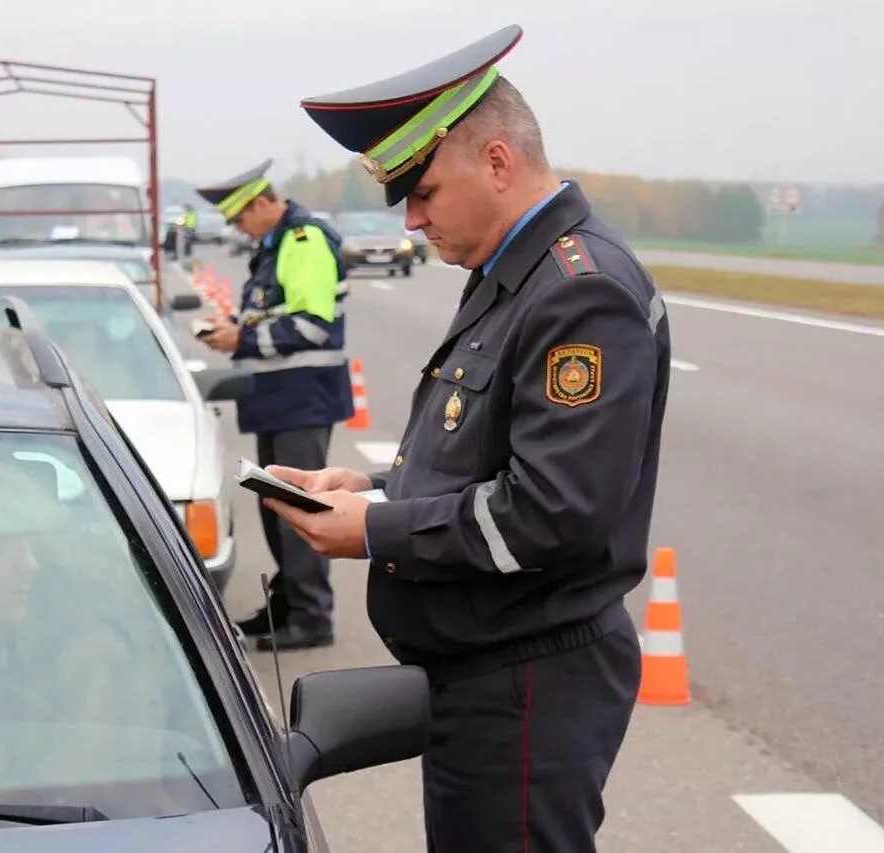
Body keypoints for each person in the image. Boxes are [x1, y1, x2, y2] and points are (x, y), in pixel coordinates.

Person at [265, 25, 671, 852]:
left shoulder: (578, 292)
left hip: (528, 681)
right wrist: (372, 493)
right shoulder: (511, 275)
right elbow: (483, 460)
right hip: (488, 672)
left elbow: (553, 512)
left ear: (496, 162)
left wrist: (375, 530)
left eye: (422, 191)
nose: (412, 219)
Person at [194, 160, 353, 651]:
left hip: (302, 396)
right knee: (275, 510)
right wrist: (233, 328)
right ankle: (287, 607)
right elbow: (273, 313)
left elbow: (311, 325)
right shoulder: (273, 246)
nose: (239, 228)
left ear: (265, 202)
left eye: (242, 218)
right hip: (278, 399)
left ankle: (311, 617)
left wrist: (238, 338)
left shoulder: (302, 241)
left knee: (298, 507)